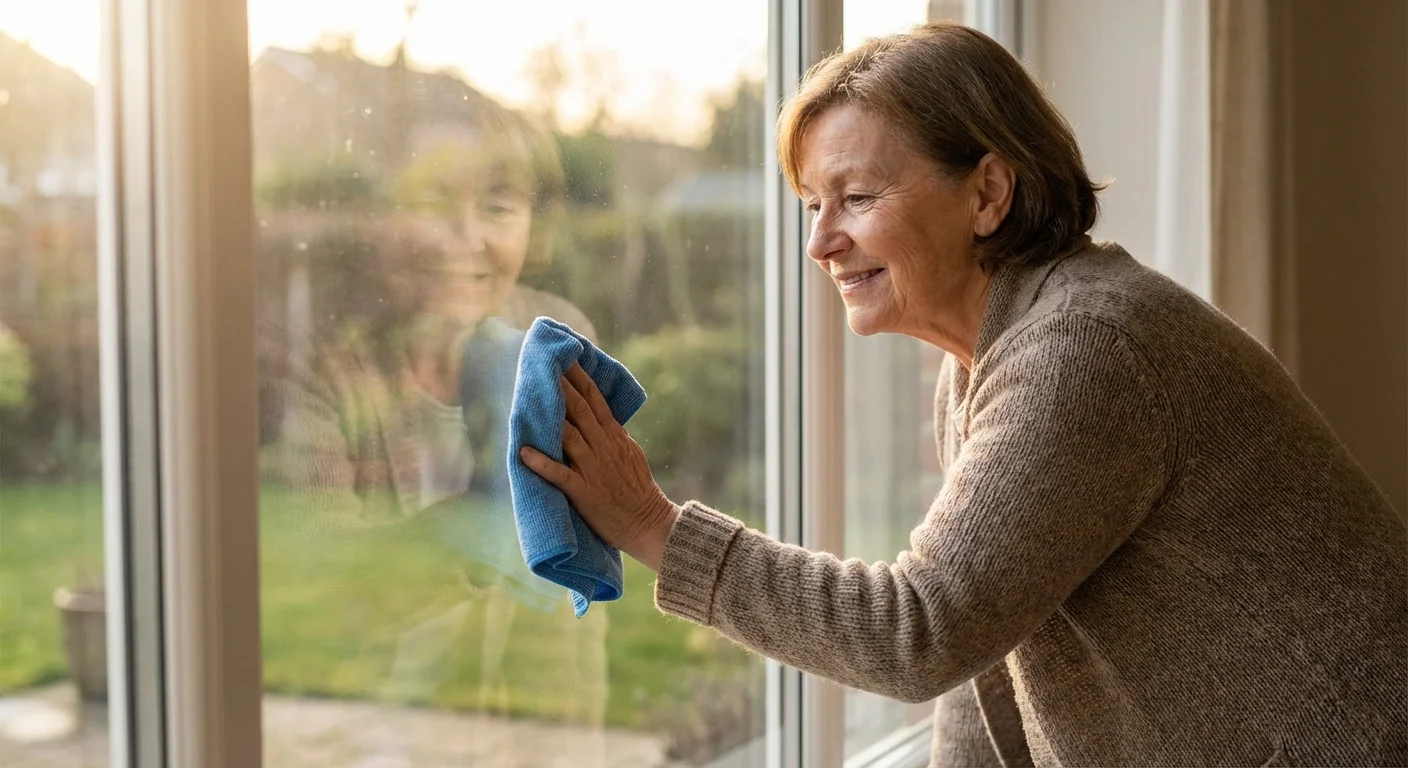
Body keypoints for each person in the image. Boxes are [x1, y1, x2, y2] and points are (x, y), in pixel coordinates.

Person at [520, 21, 1408, 767]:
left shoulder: (1087, 347)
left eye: (856, 197)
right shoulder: (986, 358)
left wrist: (651, 526)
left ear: (987, 192)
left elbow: (918, 629)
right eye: (810, 206)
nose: (821, 243)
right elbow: (989, 659)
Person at [270, 99, 607, 764]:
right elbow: (325, 595)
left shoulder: (556, 344)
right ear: (377, 221)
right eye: (430, 202)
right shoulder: (329, 379)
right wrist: (474, 521)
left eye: (499, 205)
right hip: (379, 728)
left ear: (536, 230)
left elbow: (577, 579)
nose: (464, 236)